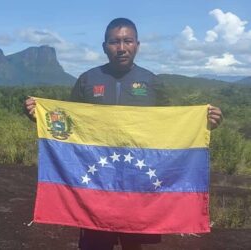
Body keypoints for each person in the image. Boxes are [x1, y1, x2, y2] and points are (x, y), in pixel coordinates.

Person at [24, 17, 223, 250]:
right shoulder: (88, 80)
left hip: (139, 187)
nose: (121, 48)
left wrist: (204, 123)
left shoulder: (152, 82)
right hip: (97, 183)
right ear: (104, 46)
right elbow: (69, 126)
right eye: (114, 42)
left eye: (127, 41)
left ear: (137, 45)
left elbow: (172, 127)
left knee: (135, 245)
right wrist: (39, 116)